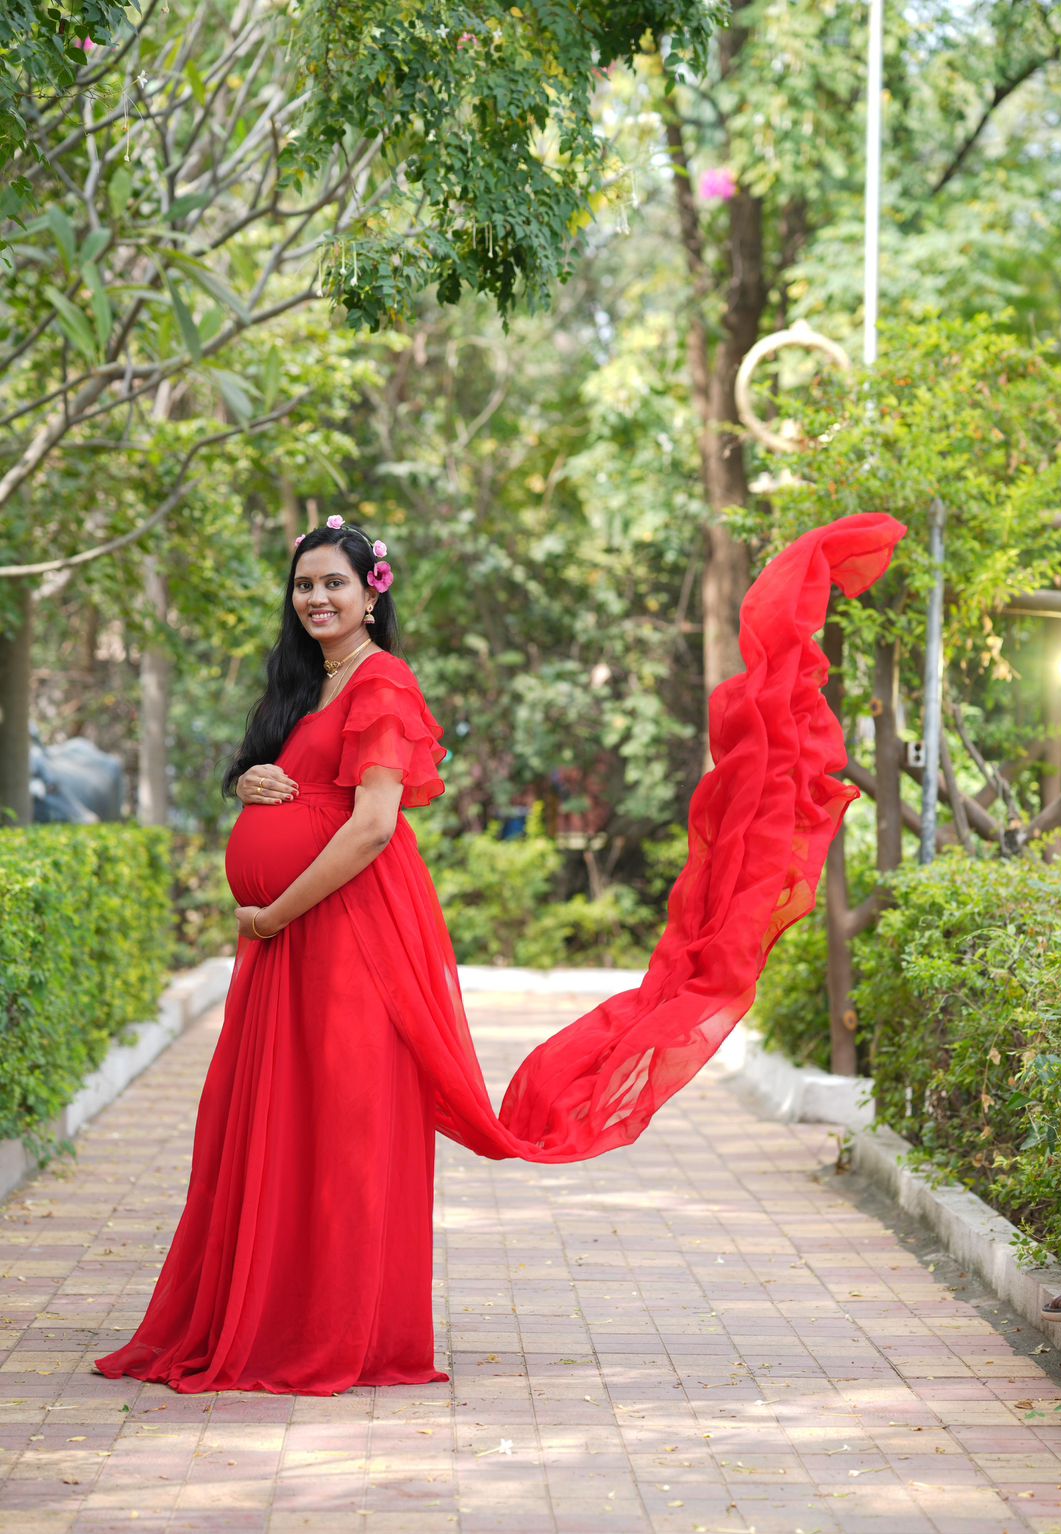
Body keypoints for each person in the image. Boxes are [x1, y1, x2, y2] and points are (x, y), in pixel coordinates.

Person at [94, 510, 905, 1396]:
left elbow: (370, 827)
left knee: (343, 1122)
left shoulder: (382, 684)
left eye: (332, 582)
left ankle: (334, 1331)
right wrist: (246, 780)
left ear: (371, 593)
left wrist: (271, 913)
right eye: (302, 584)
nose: (315, 597)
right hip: (289, 942)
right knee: (278, 1121)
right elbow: (299, 788)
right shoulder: (306, 690)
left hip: (340, 935)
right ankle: (269, 1313)